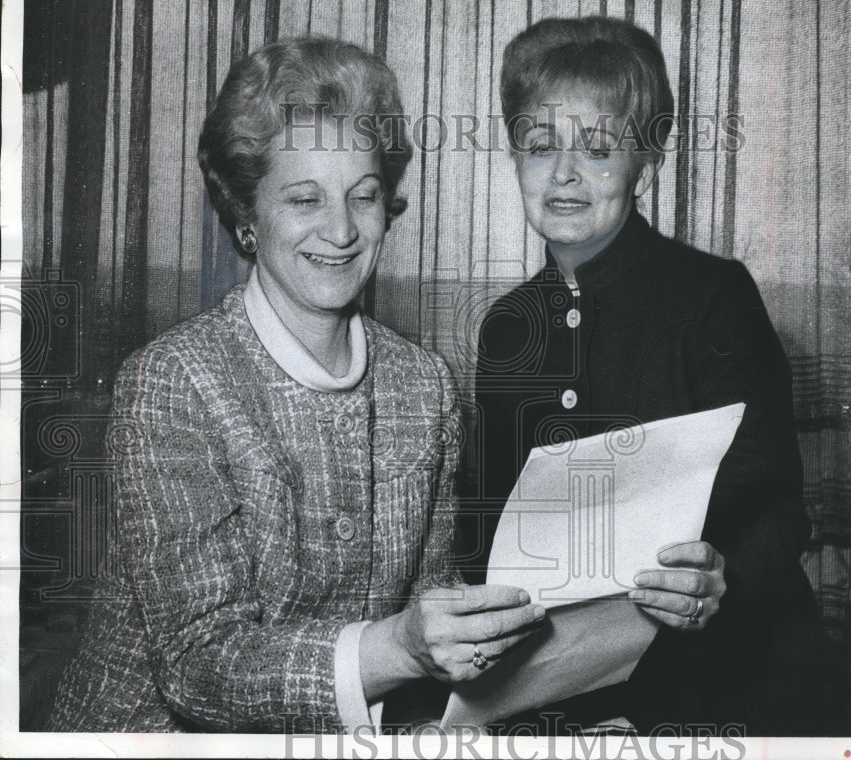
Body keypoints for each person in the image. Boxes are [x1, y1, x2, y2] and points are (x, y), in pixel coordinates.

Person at [46, 36, 545, 733]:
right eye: (305, 198)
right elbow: (200, 665)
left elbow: (431, 597)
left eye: (363, 196)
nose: (341, 230)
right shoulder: (172, 382)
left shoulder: (424, 385)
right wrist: (397, 647)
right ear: (247, 214)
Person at [459, 17, 851, 736]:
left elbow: (781, 511)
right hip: (563, 683)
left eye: (597, 147)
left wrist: (723, 586)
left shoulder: (714, 296)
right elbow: (488, 532)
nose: (563, 175)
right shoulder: (507, 326)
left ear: (644, 158)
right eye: (539, 145)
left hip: (733, 679)